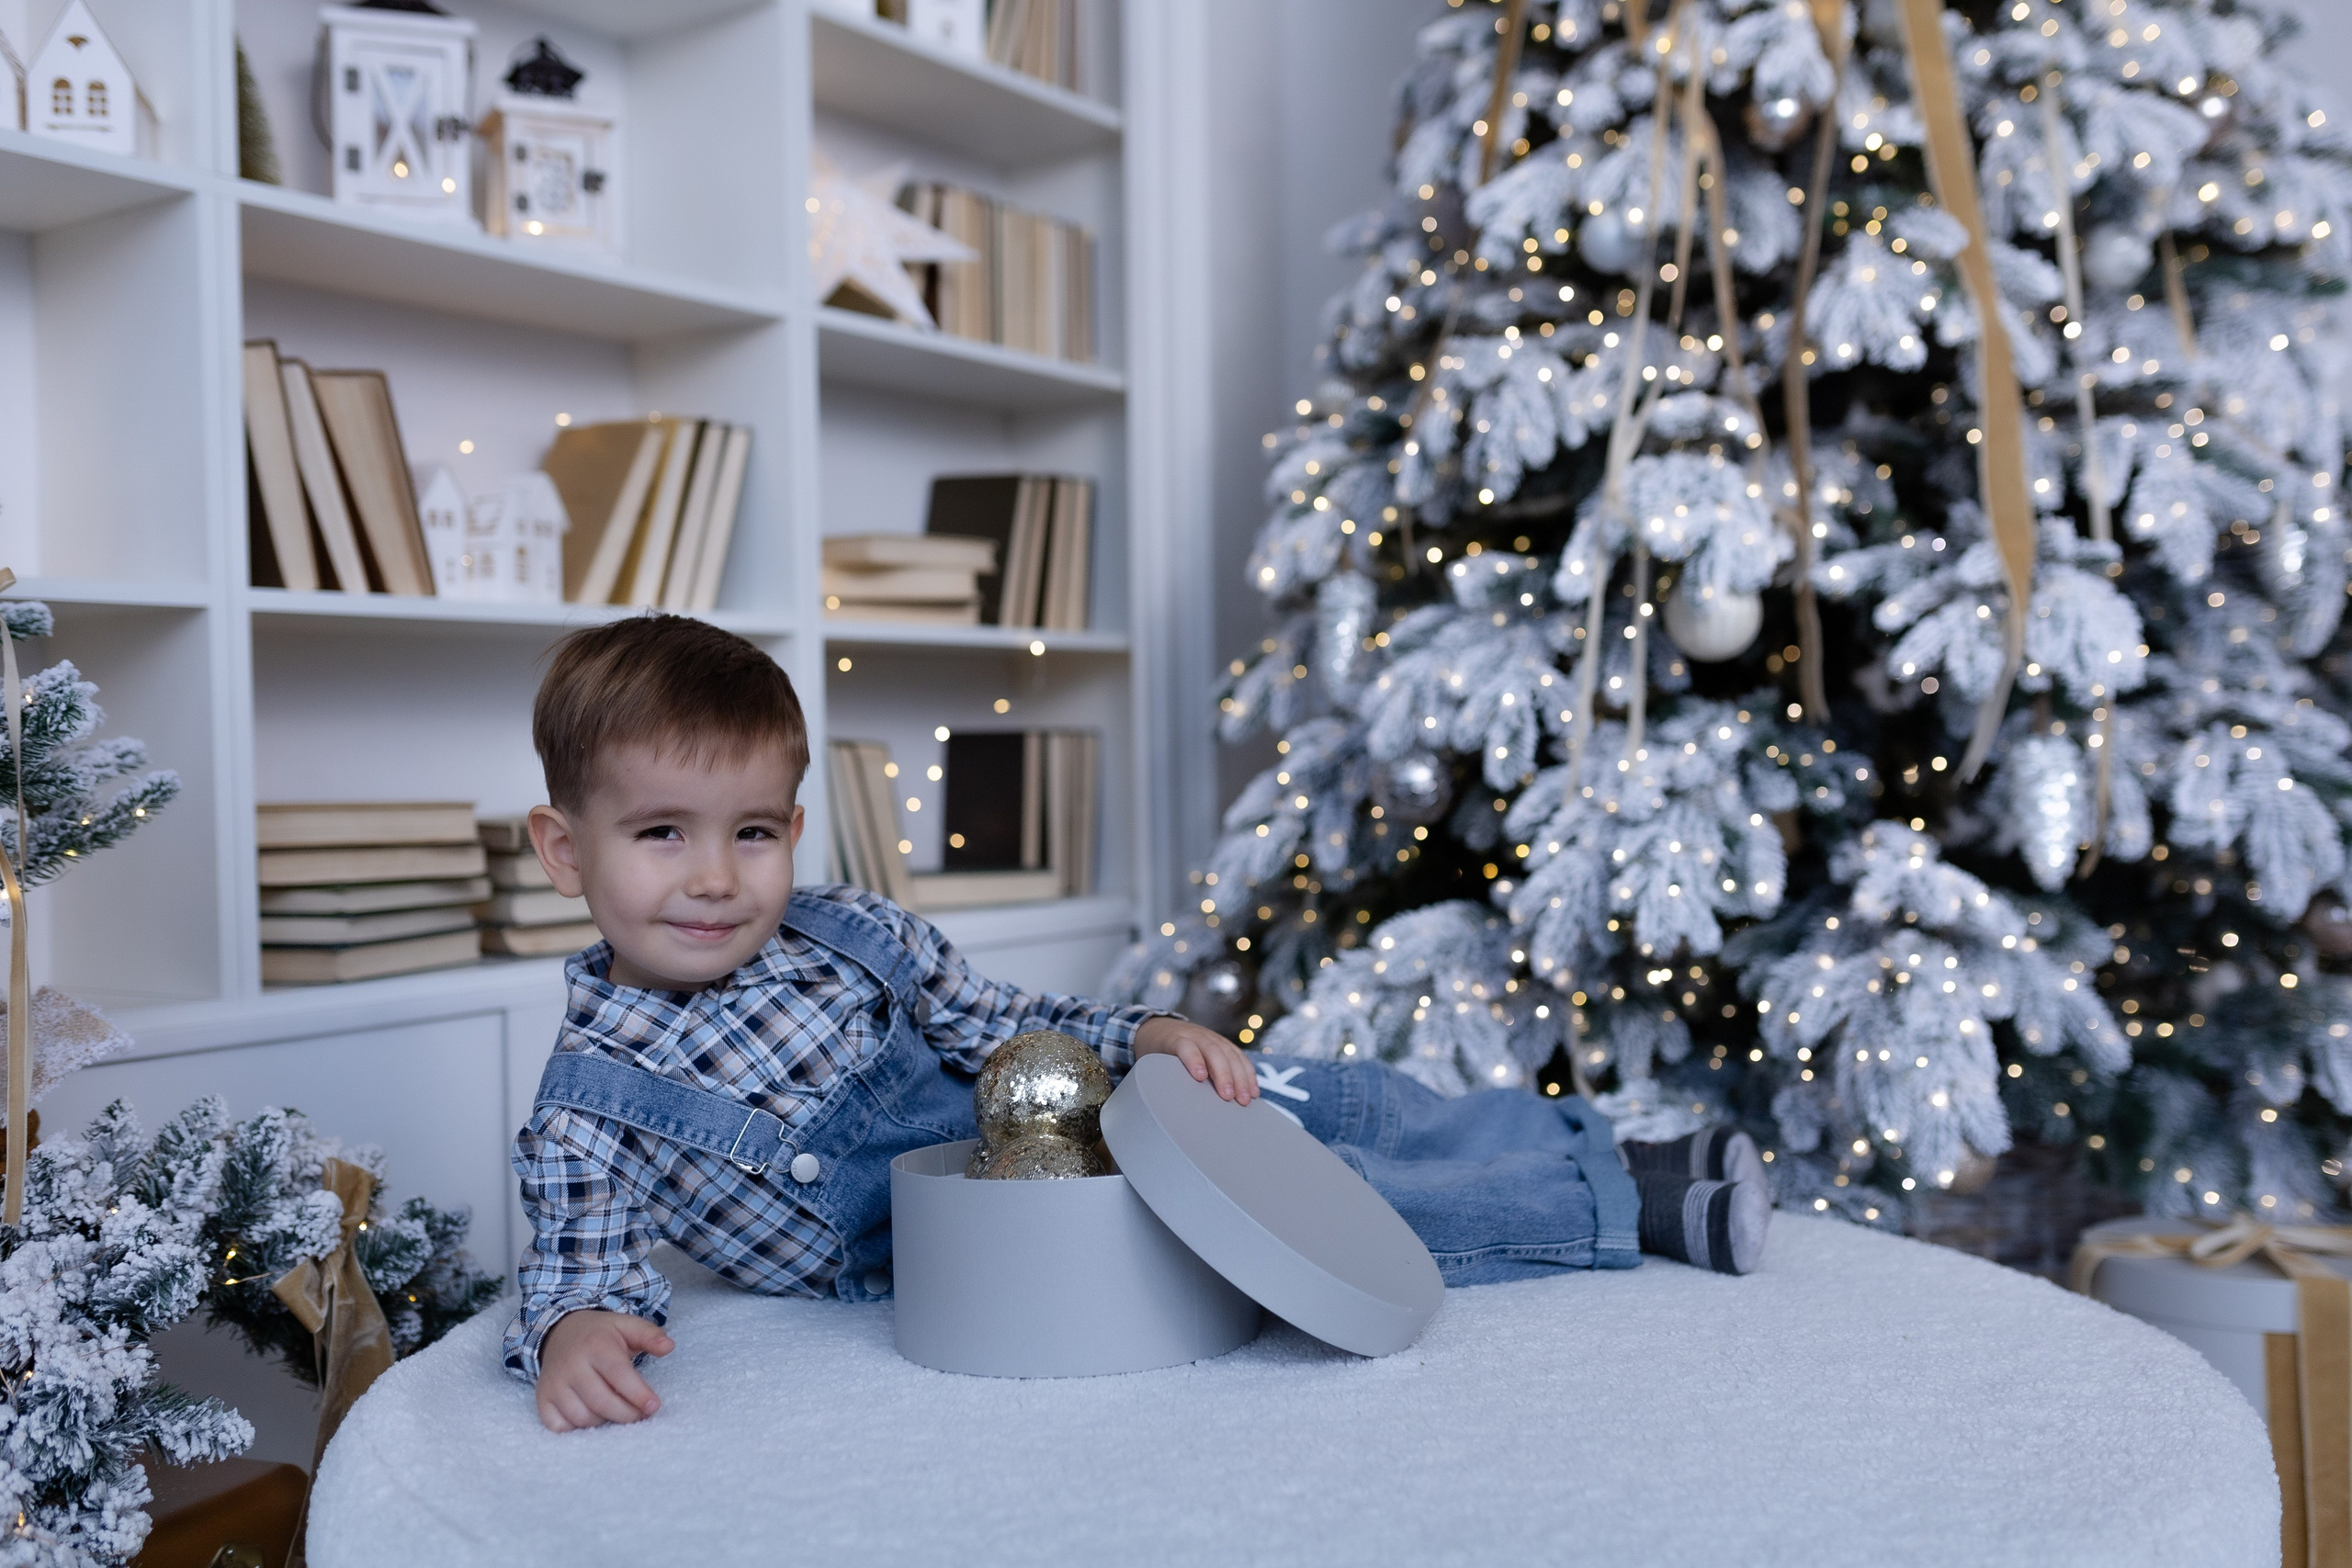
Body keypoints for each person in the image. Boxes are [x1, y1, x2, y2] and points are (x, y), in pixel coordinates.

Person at [507, 615, 1769, 1434]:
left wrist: (1154, 1032)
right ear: (566, 851)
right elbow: (579, 1267)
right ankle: (1626, 1200)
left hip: (1080, 1101)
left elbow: (1008, 1022)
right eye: (662, 833)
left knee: (1303, 1099)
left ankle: (1576, 1132)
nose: (718, 878)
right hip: (1012, 1236)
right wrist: (573, 1332)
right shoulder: (589, 1104)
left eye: (755, 833)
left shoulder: (850, 934)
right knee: (1323, 1194)